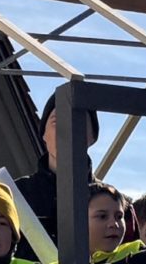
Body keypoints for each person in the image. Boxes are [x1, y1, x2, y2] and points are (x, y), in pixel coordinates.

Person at [15, 100, 100, 241]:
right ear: (44, 134)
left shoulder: (116, 205)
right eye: (57, 122)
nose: (67, 129)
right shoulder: (15, 194)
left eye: (77, 120)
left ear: (92, 137)